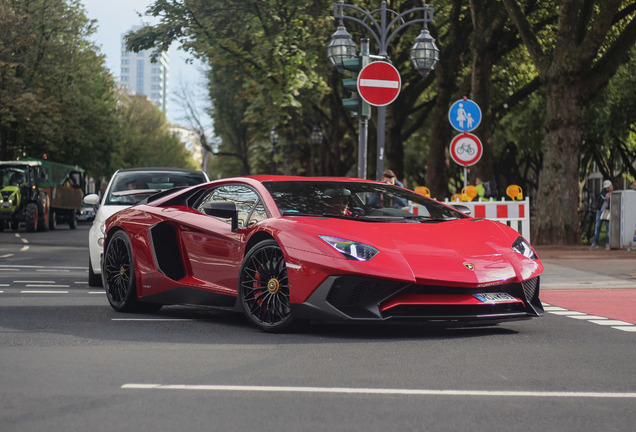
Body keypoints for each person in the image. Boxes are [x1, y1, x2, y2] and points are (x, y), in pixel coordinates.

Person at [590, 179, 613, 250]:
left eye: (608, 187)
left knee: (608, 228)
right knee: (597, 228)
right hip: (600, 211)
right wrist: (605, 197)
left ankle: (608, 244)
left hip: (608, 212)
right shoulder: (603, 192)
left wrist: (610, 197)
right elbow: (601, 197)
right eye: (606, 188)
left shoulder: (613, 194)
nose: (607, 189)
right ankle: (595, 243)